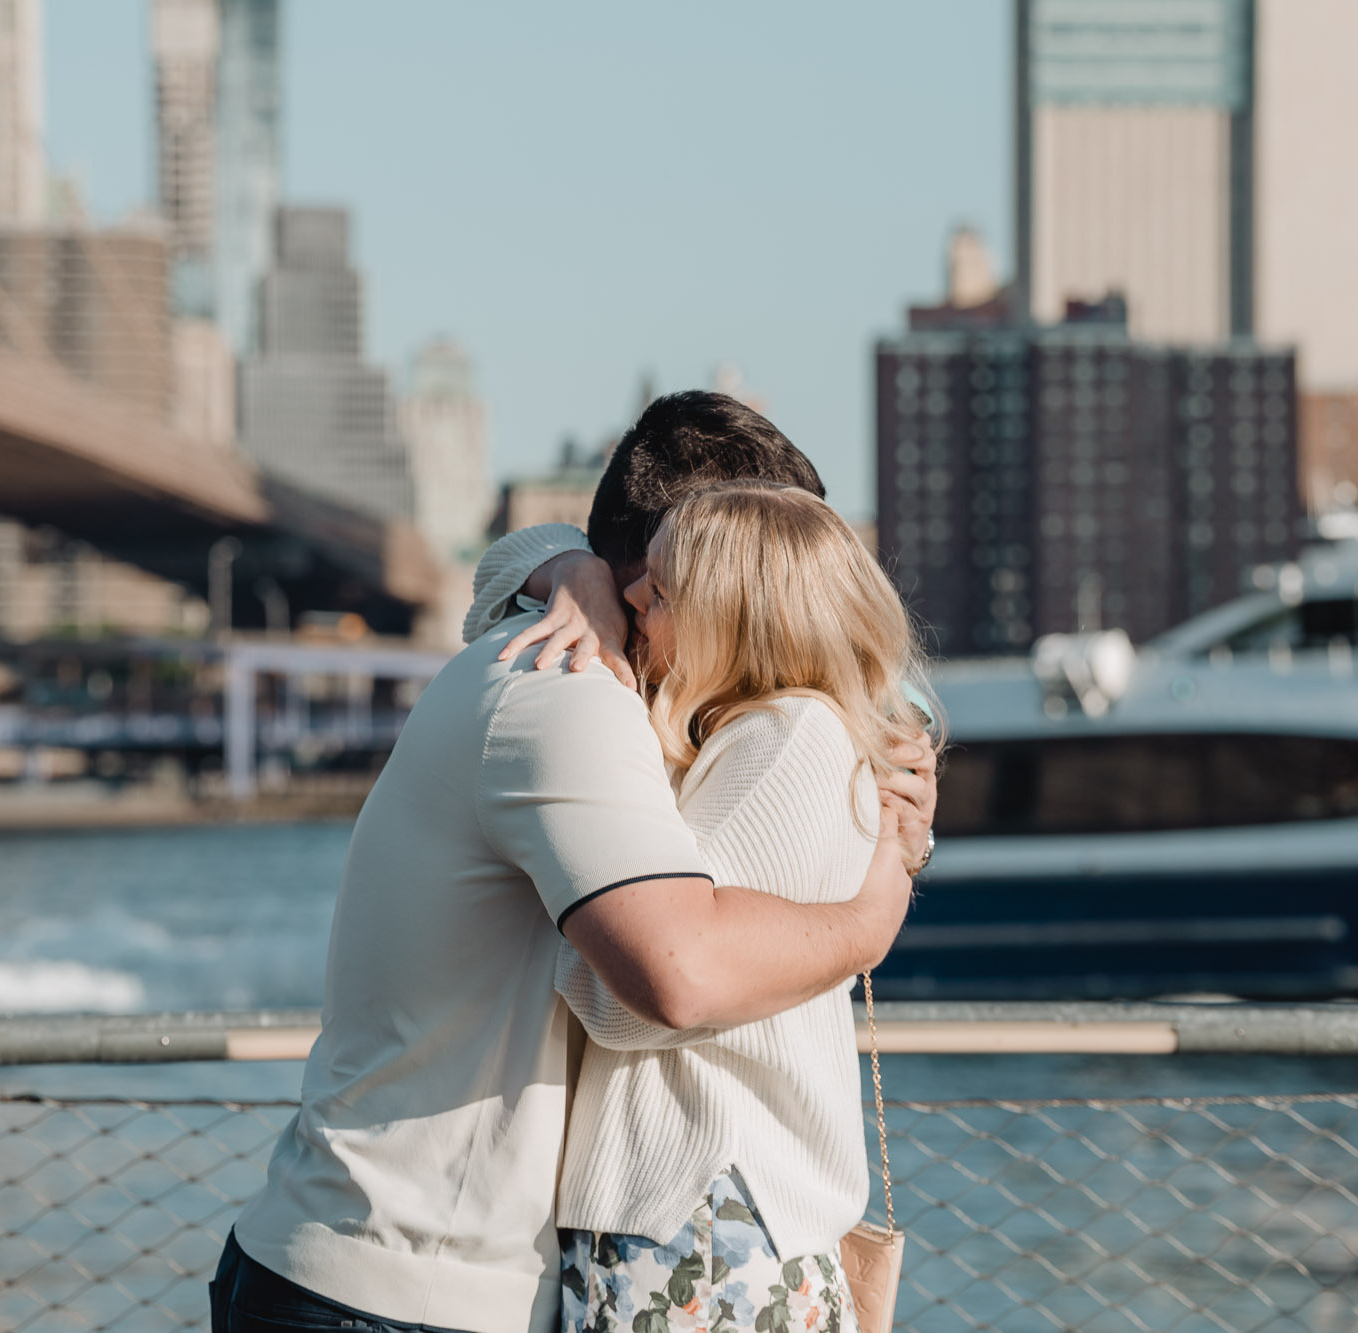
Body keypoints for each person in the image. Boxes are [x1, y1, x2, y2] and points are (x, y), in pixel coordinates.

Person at [212, 391, 937, 1333]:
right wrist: (875, 914)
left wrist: (567, 566)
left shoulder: (681, 712)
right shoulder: (573, 687)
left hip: (413, 1273)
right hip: (400, 1288)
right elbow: (676, 972)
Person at [540, 480, 933, 1333]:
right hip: (712, 1224)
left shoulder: (783, 743)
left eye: (660, 590)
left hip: (703, 1229)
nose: (631, 597)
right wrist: (575, 573)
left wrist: (563, 928)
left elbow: (641, 996)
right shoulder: (771, 735)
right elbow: (499, 571)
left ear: (732, 618)